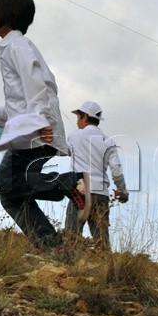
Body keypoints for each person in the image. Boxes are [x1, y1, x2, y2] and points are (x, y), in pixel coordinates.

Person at [0, 0, 83, 253]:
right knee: (10, 195)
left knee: (4, 184)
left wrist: (40, 122)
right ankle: (51, 247)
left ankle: (69, 182)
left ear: (8, 12)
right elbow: (15, 106)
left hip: (37, 134)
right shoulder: (10, 47)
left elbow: (38, 85)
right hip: (32, 131)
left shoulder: (17, 46)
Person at [63, 100, 128, 248]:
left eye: (78, 117)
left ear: (85, 116)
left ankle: (68, 268)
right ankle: (106, 268)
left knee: (71, 238)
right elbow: (116, 171)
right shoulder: (108, 141)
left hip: (81, 192)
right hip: (101, 194)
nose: (77, 121)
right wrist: (123, 192)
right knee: (102, 242)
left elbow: (65, 151)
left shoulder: (74, 135)